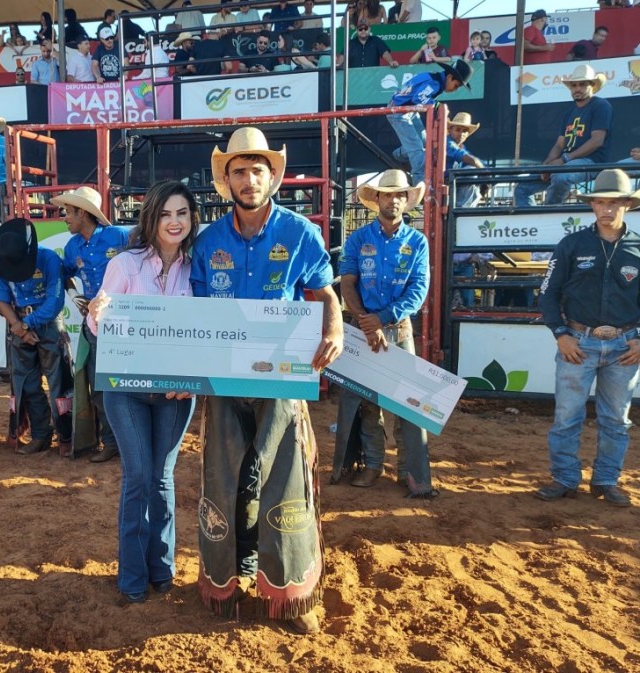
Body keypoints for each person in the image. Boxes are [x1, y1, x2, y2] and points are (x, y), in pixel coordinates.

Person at [190, 127, 343, 635]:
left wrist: (336, 330)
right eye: (240, 171)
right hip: (224, 377)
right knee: (224, 474)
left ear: (272, 176)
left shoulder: (300, 232)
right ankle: (224, 584)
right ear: (227, 180)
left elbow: (324, 293)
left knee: (286, 476)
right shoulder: (207, 240)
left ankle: (290, 593)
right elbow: (191, 310)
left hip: (283, 377)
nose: (250, 179)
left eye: (258, 170)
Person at [86, 180, 199, 603]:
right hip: (128, 388)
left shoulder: (197, 266)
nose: (174, 222)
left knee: (162, 478)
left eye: (182, 213)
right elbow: (99, 327)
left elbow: (207, 330)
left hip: (175, 391)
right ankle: (132, 577)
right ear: (151, 217)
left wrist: (189, 377)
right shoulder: (126, 264)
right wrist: (96, 314)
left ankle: (162, 568)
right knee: (137, 478)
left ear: (192, 219)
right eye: (166, 213)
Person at [535, 169, 640, 508]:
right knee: (567, 415)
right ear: (592, 204)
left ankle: (607, 480)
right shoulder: (572, 244)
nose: (606, 209)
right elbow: (547, 293)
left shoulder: (639, 247)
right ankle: (565, 478)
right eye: (599, 202)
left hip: (625, 346)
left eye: (613, 203)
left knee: (616, 419)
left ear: (627, 205)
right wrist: (560, 334)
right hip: (577, 343)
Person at [333, 170, 436, 498]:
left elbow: (418, 291)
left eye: (399, 195)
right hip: (363, 327)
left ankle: (408, 470)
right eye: (388, 194)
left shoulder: (417, 242)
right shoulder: (358, 238)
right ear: (376, 198)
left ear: (407, 200)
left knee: (408, 405)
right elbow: (347, 281)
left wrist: (378, 319)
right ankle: (374, 464)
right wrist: (366, 320)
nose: (393, 200)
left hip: (397, 329)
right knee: (366, 403)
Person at [53, 186, 129, 463]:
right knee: (99, 386)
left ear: (82, 213)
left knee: (128, 384)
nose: (65, 218)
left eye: (68, 213)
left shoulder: (120, 236)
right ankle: (110, 442)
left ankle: (127, 441)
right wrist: (75, 297)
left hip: (126, 326)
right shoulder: (73, 247)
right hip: (95, 325)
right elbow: (64, 274)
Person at [0, 218, 74, 456]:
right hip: (19, 323)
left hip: (45, 324)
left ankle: (67, 435)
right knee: (26, 384)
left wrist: (24, 325)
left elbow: (54, 302)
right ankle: (40, 435)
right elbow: (1, 299)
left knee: (58, 382)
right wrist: (18, 325)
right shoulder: (3, 261)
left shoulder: (48, 259)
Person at [514, 65, 612, 208]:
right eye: (574, 85)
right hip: (566, 162)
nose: (577, 88)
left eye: (582, 84)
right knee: (521, 188)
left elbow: (597, 141)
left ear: (592, 85)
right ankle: (533, 221)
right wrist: (546, 165)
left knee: (561, 177)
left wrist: (564, 160)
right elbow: (560, 144)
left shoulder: (601, 105)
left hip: (591, 162)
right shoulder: (569, 111)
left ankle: (550, 214)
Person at [387, 60, 473, 186]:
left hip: (407, 109)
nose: (455, 89)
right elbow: (419, 98)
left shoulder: (434, 78)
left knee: (424, 141)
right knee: (417, 150)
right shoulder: (435, 83)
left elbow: (418, 98)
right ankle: (420, 186)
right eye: (456, 85)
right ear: (449, 77)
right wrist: (438, 106)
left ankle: (399, 154)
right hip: (398, 112)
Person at [446, 112, 485, 208]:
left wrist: (486, 176)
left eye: (465, 131)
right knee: (471, 171)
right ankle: (461, 211)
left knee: (474, 173)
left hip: (453, 185)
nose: (461, 134)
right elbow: (473, 161)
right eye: (458, 130)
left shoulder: (462, 147)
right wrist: (486, 174)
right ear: (450, 130)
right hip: (443, 185)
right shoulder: (446, 143)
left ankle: (464, 211)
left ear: (468, 134)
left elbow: (478, 162)